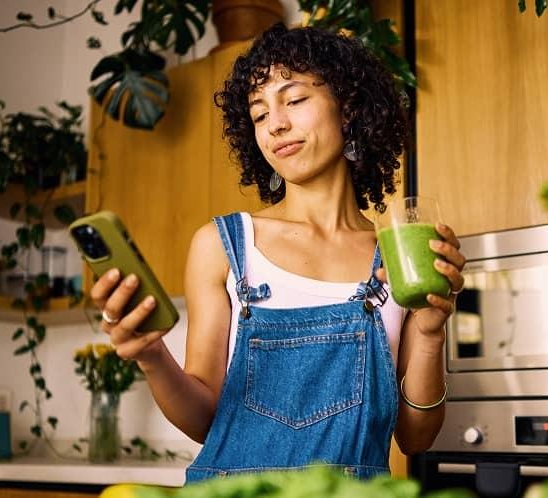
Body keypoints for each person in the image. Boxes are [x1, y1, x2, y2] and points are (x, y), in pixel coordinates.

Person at [89, 23, 466, 482]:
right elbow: (202, 418)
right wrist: (151, 356)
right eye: (259, 113)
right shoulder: (224, 246)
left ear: (347, 106)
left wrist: (429, 333)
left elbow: (416, 437)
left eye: (294, 99)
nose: (276, 125)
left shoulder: (396, 258)